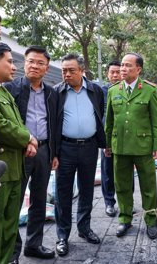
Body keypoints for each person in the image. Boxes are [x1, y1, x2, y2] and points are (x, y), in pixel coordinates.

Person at [0, 42, 38, 264]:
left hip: (14, 168)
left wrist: (27, 140)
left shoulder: (1, 89)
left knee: (9, 227)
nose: (14, 67)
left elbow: (17, 122)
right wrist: (28, 138)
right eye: (10, 61)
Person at [6, 46, 58, 263]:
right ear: (23, 63)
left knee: (39, 199)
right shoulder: (11, 88)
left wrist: (54, 153)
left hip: (44, 151)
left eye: (40, 63)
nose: (34, 66)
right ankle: (12, 252)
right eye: (31, 61)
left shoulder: (52, 93)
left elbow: (55, 123)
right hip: (20, 151)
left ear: (46, 68)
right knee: (14, 202)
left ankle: (33, 245)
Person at [105, 53, 157, 240]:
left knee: (148, 186)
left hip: (143, 146)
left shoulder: (149, 90)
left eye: (127, 65)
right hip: (120, 146)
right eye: (122, 65)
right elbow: (109, 121)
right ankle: (125, 219)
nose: (122, 69)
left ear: (138, 69)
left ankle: (151, 220)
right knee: (121, 185)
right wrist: (107, 144)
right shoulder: (113, 91)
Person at [54, 53, 106, 257]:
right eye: (64, 70)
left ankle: (84, 228)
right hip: (65, 149)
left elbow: (99, 113)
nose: (66, 74)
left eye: (71, 70)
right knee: (63, 193)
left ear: (82, 71)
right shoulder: (56, 92)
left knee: (87, 189)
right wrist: (54, 152)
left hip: (89, 148)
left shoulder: (95, 91)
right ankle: (62, 236)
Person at [100, 60, 121, 217]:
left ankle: (126, 202)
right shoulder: (101, 92)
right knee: (107, 171)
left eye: (118, 72)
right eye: (112, 72)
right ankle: (109, 202)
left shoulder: (128, 90)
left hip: (125, 139)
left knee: (125, 171)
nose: (115, 75)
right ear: (108, 74)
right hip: (107, 138)